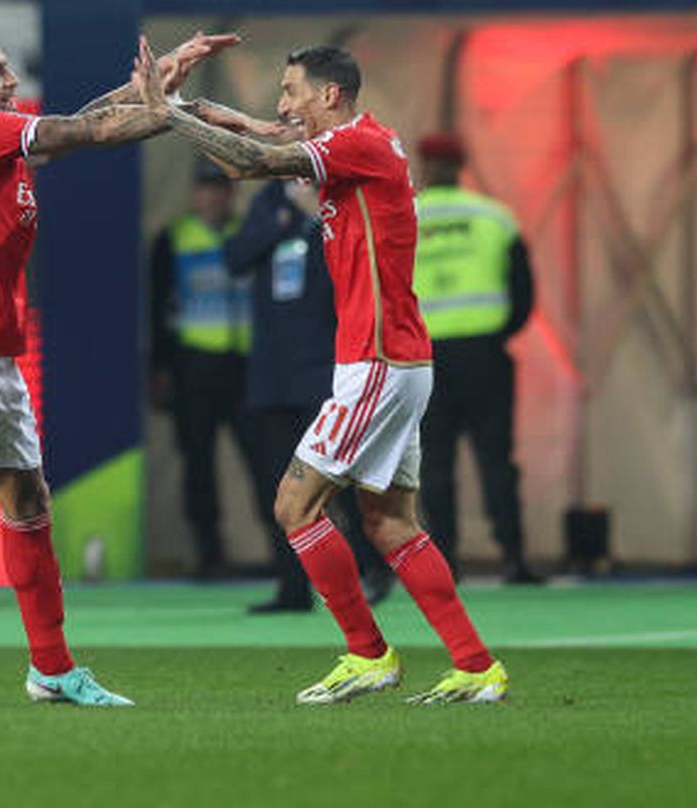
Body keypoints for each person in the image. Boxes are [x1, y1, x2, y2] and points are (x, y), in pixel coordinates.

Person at [143, 41, 509, 704]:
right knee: (391, 523)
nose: (283, 105)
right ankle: (476, 666)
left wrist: (166, 116)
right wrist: (176, 102)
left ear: (330, 95)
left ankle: (369, 654)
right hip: (393, 358)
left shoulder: (354, 145)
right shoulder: (361, 143)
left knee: (293, 505)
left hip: (376, 360)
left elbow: (252, 160)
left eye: (291, 91)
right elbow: (254, 135)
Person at [0, 26, 237, 708]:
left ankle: (51, 668)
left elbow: (79, 124)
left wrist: (153, 81)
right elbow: (95, 134)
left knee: (28, 500)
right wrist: (162, 107)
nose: (11, 81)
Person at [224, 178, 389, 613]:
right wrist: (279, 225)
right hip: (272, 371)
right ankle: (292, 587)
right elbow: (236, 257)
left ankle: (372, 567)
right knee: (276, 485)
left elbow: (362, 260)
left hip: (325, 367)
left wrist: (315, 216)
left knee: (341, 480)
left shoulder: (337, 194)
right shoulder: (268, 202)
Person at [412, 132, 541, 584]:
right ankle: (514, 557)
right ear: (463, 165)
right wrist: (498, 331)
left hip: (425, 359)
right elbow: (524, 291)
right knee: (496, 458)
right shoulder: (494, 217)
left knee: (435, 462)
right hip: (484, 354)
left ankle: (445, 562)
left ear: (423, 166)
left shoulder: (405, 218)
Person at [147, 159, 255, 579]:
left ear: (231, 194)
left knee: (264, 462)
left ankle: (287, 554)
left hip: (245, 365)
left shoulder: (250, 234)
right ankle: (210, 554)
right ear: (195, 193)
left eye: (220, 189)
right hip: (195, 366)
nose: (213, 196)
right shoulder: (174, 239)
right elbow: (157, 312)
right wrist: (161, 369)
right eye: (206, 189)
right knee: (198, 465)